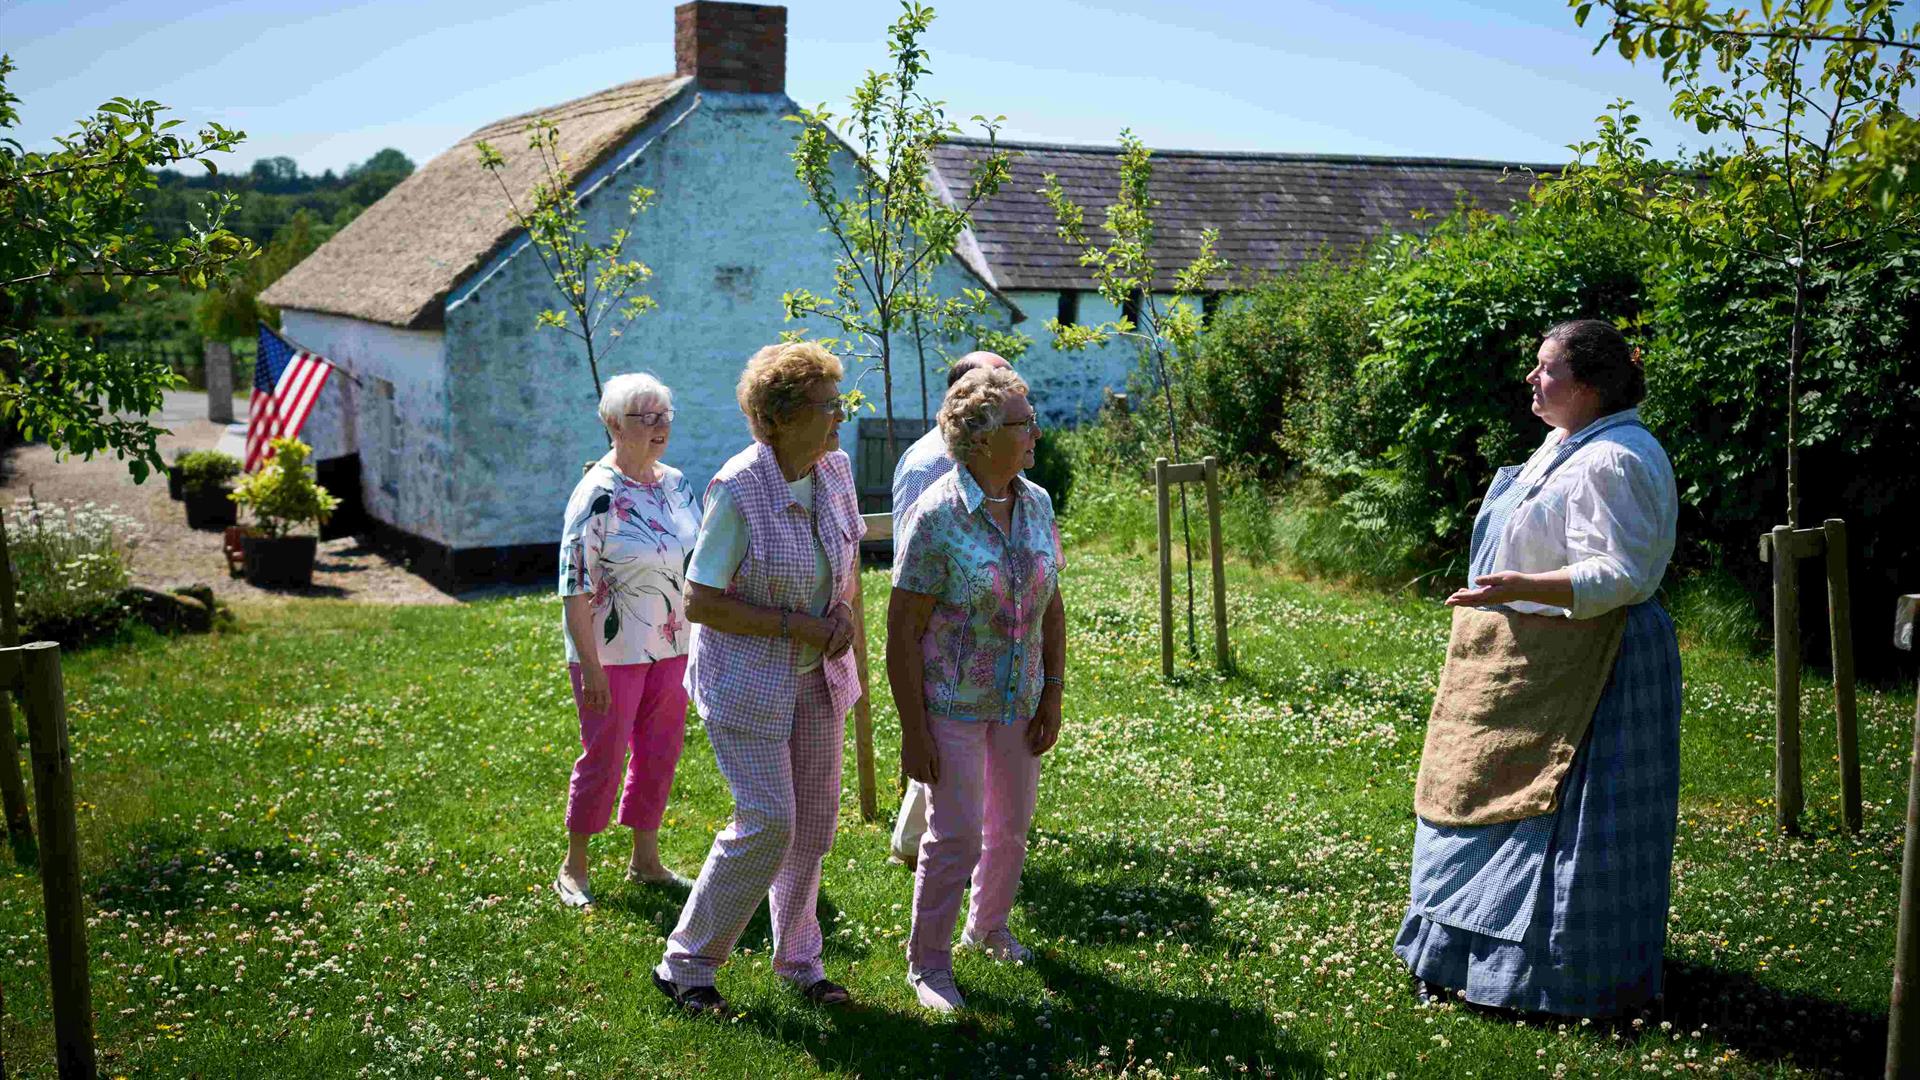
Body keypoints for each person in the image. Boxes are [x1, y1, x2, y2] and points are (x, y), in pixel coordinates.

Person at [1395, 319, 1681, 1017]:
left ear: (1589, 387)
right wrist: (1509, 593)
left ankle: (1552, 979)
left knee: (1554, 816)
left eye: (1547, 368)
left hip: (1593, 666)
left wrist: (1517, 586)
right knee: (1478, 793)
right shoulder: (1564, 445)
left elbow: (1624, 572)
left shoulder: (1618, 458)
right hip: (1528, 660)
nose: (1532, 378)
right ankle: (1458, 956)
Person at [652, 341, 865, 1015]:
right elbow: (700, 601)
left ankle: (800, 963)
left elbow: (848, 562)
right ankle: (684, 965)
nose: (840, 417)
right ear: (780, 417)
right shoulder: (739, 488)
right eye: (828, 406)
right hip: (747, 681)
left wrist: (845, 621)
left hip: (819, 677)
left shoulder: (836, 470)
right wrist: (794, 626)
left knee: (814, 827)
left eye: (839, 402)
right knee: (769, 820)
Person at [888, 367, 1066, 1013]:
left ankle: (988, 928)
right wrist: (913, 730)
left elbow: (1053, 603)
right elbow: (901, 629)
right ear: (982, 437)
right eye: (1023, 423)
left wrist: (1052, 694)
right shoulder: (937, 516)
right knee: (955, 834)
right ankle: (928, 965)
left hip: (1020, 699)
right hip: (952, 703)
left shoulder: (1038, 502)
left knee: (1011, 830)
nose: (1035, 433)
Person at [554, 372, 702, 908]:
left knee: (659, 751)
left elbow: (697, 559)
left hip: (672, 643)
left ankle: (646, 858)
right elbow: (572, 583)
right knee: (606, 752)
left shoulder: (677, 483)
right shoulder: (598, 492)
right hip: (611, 650)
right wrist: (589, 665)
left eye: (664, 416)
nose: (660, 426)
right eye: (646, 417)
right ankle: (574, 865)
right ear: (614, 424)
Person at [887, 350, 1014, 869]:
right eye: (998, 382)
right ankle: (923, 846)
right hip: (946, 630)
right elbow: (914, 558)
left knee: (967, 748)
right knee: (949, 744)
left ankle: (917, 841)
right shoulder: (932, 463)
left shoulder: (989, 456)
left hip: (983, 628)